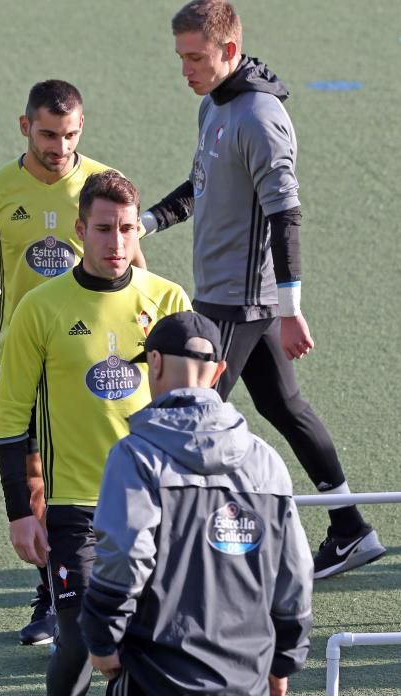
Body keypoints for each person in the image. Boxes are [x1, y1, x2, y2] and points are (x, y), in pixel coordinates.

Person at [139, 0, 384, 578]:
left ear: (228, 50)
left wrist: (291, 309)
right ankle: (350, 528)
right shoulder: (214, 106)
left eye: (196, 57)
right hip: (231, 295)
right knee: (283, 405)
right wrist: (145, 222)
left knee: (185, 420)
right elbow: (203, 183)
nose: (186, 70)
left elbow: (286, 212)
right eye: (180, 58)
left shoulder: (260, 117)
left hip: (239, 301)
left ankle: (183, 555)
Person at [0, 170, 190, 696]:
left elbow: (196, 411)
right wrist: (19, 511)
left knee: (149, 638)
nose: (117, 241)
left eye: (127, 228)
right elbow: (11, 418)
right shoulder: (39, 308)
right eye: (104, 229)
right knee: (82, 637)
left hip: (155, 502)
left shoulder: (169, 301)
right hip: (74, 507)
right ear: (80, 231)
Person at [0, 79, 147, 646]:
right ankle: (52, 592)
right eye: (48, 134)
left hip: (92, 350)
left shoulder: (98, 184)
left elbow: (134, 267)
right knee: (35, 474)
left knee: (88, 468)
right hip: (26, 352)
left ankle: (81, 585)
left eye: (70, 134)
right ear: (25, 127)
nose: (59, 146)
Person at [80, 310, 314, 696]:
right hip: (246, 679)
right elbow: (295, 573)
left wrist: (103, 639)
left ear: (154, 363)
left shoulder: (136, 456)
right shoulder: (266, 462)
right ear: (219, 370)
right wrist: (283, 660)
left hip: (155, 678)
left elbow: (126, 555)